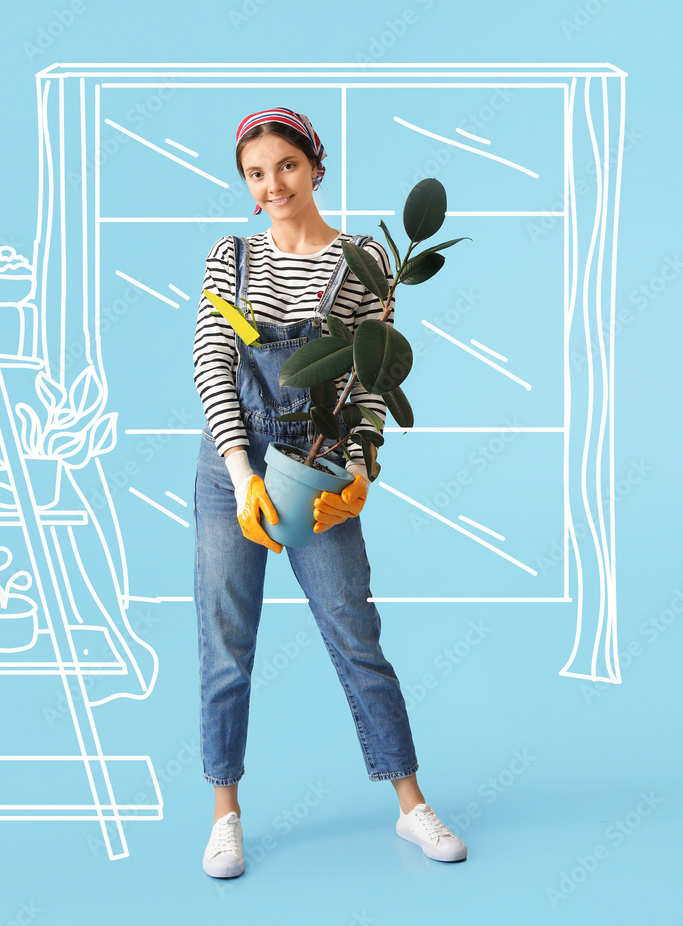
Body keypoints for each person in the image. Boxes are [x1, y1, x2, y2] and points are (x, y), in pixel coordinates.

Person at [192, 107, 467, 878]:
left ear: (315, 165)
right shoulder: (230, 256)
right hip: (230, 468)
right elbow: (212, 365)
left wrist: (359, 471)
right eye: (255, 173)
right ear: (247, 187)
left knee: (355, 632)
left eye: (284, 165)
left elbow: (371, 378)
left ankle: (411, 805)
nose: (272, 184)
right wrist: (243, 476)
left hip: (316, 464)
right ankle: (226, 816)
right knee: (226, 642)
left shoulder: (368, 259)